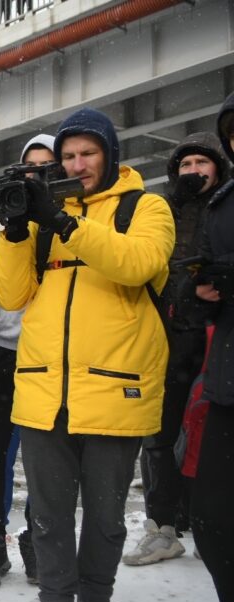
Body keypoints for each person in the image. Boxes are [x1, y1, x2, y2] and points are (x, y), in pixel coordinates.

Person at [0, 107, 175, 602]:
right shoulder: (44, 216)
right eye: (67, 156)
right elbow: (11, 295)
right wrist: (17, 233)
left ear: (110, 155)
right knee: (48, 517)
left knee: (105, 516)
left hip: (115, 391)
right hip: (45, 391)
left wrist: (65, 223)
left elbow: (138, 263)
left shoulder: (145, 207)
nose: (76, 165)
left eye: (87, 154)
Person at [124, 131, 229, 568]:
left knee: (213, 434)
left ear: (218, 169)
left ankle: (211, 525)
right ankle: (162, 526)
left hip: (218, 338)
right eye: (185, 165)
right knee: (160, 434)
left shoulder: (226, 210)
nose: (193, 171)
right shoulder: (161, 210)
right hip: (166, 337)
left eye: (202, 163)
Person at [0, 133, 57, 591]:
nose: (34, 176)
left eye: (45, 167)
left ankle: (35, 540)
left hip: (47, 356)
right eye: (28, 167)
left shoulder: (66, 217)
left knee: (45, 459)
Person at [185, 91, 234, 602]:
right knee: (213, 517)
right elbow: (191, 296)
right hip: (226, 381)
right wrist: (200, 293)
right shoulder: (220, 206)